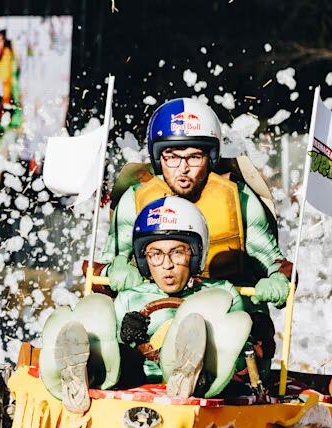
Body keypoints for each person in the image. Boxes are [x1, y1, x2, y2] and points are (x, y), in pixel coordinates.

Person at [96, 98, 291, 370]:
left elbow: (275, 262)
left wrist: (277, 279)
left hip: (227, 313)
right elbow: (103, 269)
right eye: (172, 157)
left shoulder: (240, 200)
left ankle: (225, 380)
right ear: (157, 157)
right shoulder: (135, 198)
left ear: (210, 157)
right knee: (105, 320)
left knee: (252, 332)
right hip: (154, 312)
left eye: (193, 157)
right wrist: (114, 268)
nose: (183, 168)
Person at [41, 197, 251, 413]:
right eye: (156, 254)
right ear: (144, 259)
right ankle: (84, 377)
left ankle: (192, 377)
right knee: (107, 331)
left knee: (209, 333)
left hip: (202, 390)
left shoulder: (220, 294)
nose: (167, 265)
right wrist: (127, 337)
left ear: (196, 254)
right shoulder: (130, 297)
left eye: (178, 252)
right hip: (135, 381)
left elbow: (241, 360)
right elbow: (120, 356)